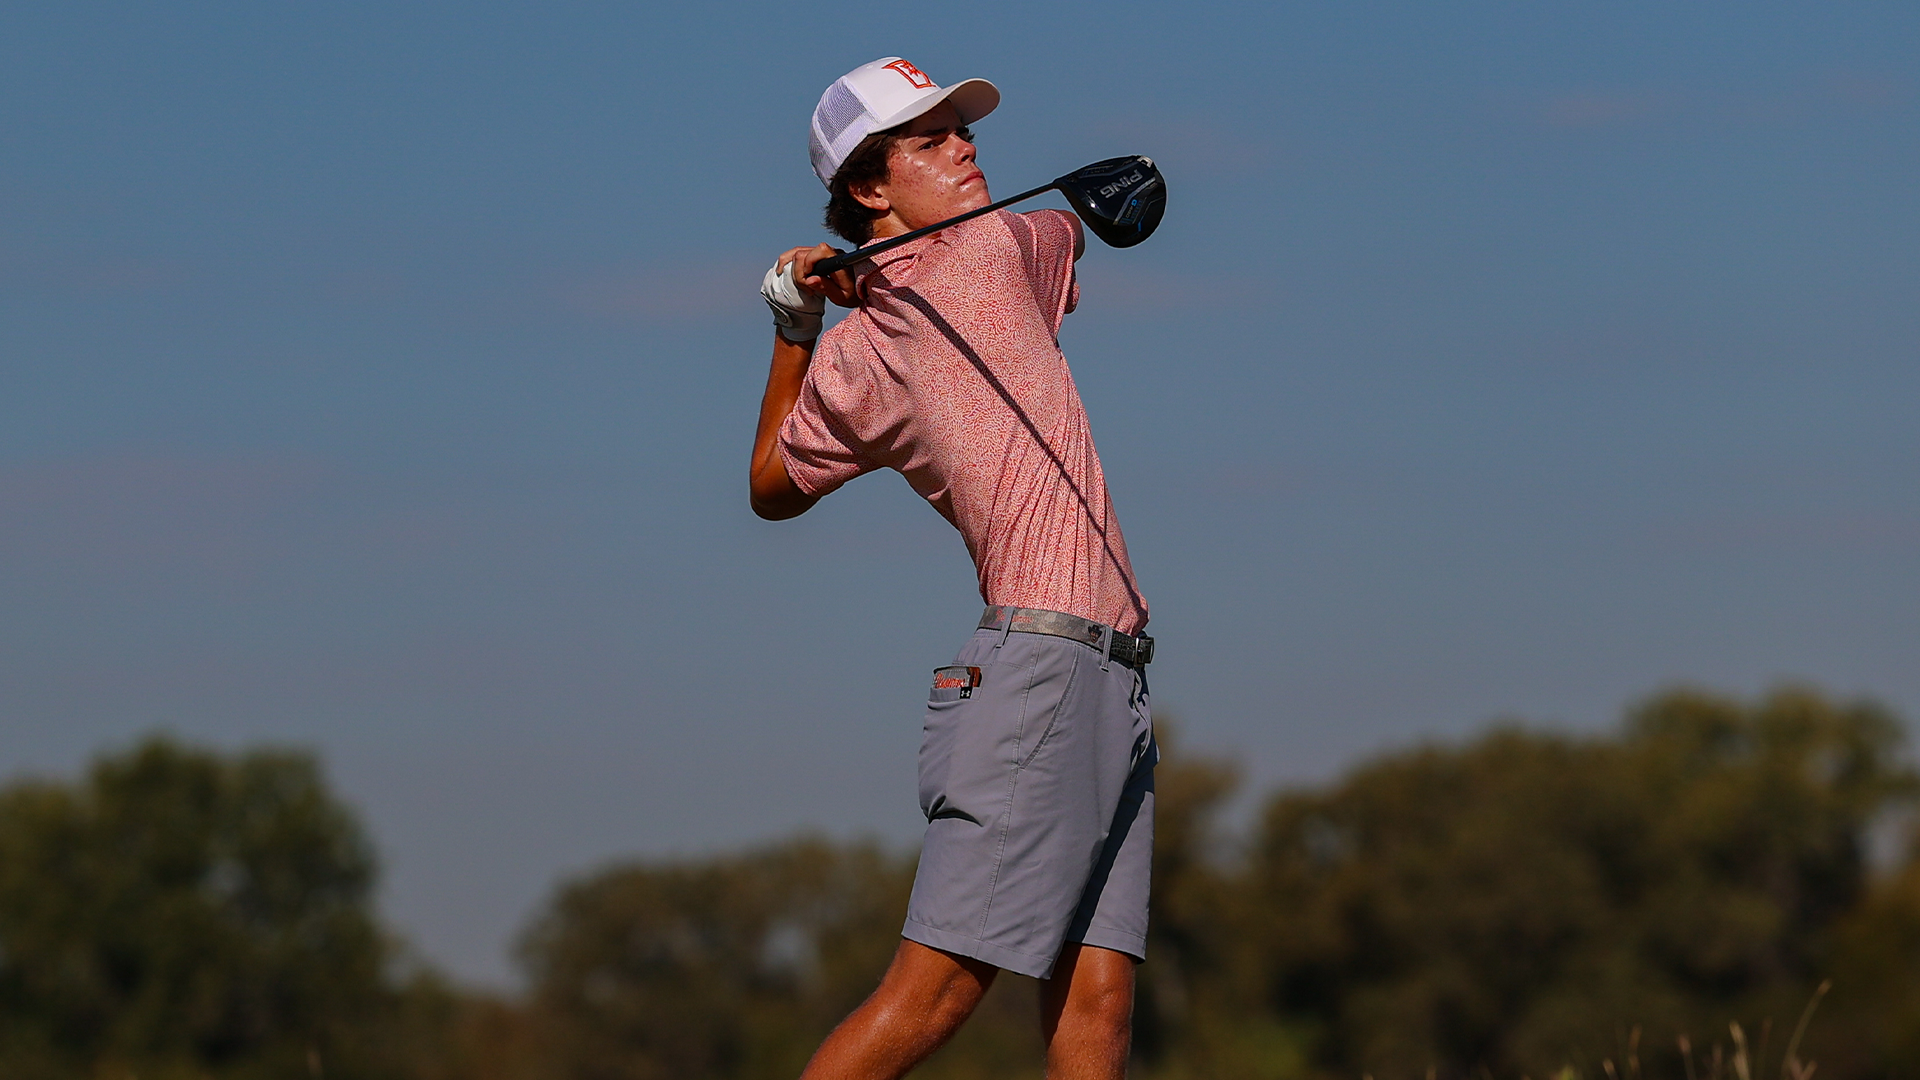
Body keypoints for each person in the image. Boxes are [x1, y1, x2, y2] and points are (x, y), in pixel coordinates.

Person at [752, 56, 1157, 1080]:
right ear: (870, 187)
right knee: (937, 992)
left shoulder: (989, 249)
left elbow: (1069, 224)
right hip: (1037, 672)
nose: (966, 147)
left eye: (961, 130)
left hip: (1113, 671)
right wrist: (807, 326)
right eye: (929, 140)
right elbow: (771, 484)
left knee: (1098, 1003)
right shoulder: (866, 342)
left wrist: (815, 313)